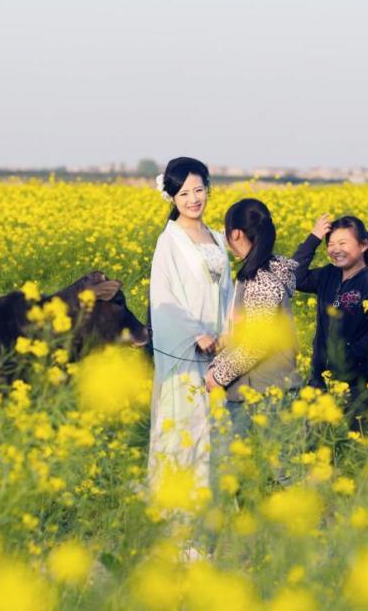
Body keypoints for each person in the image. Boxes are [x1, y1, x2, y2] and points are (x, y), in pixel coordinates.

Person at [147, 157, 234, 492]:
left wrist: (228, 332)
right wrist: (195, 333)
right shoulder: (169, 241)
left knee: (214, 430)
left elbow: (226, 290)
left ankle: (212, 516)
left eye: (199, 190)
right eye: (184, 193)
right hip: (186, 349)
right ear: (172, 197)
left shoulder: (217, 237)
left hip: (220, 349)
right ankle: (179, 526)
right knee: (184, 427)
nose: (193, 199)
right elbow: (163, 297)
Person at [205, 198, 302, 441]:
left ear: (236, 234)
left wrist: (218, 376)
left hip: (266, 391)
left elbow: (256, 344)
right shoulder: (264, 272)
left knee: (281, 471)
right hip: (259, 387)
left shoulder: (260, 280)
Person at [293, 214, 368, 431]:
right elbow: (295, 276)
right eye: (330, 244)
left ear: (363, 245)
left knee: (354, 450)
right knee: (316, 447)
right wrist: (313, 238)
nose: (335, 249)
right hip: (321, 380)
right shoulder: (327, 275)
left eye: (343, 243)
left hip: (357, 383)